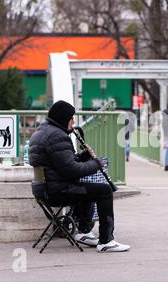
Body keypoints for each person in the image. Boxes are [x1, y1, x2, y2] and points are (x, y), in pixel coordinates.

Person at [28, 100, 130, 252]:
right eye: (71, 118)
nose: (73, 121)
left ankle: (84, 232)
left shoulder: (42, 132)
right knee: (104, 190)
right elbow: (72, 171)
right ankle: (106, 240)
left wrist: (82, 157)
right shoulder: (57, 136)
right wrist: (96, 163)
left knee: (85, 187)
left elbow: (61, 163)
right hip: (58, 191)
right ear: (63, 119)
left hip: (44, 189)